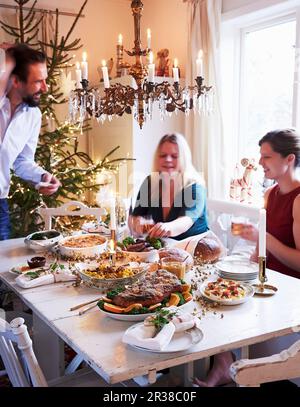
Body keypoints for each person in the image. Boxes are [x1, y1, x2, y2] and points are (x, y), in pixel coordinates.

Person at [194, 128, 300, 387]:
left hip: (288, 290)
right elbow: (261, 251)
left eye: (267, 157)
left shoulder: (298, 200)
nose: (260, 163)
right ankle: (222, 363)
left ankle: (237, 370)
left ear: (289, 159)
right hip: (265, 279)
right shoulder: (270, 194)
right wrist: (245, 260)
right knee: (208, 293)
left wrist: (262, 237)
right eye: (260, 156)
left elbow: (298, 262)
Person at [0, 43, 61, 240]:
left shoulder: (33, 115)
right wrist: (7, 58)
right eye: (38, 81)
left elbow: (21, 160)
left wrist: (42, 177)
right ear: (16, 81)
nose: (45, 88)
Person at [129, 133, 209, 239]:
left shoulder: (195, 186)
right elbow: (135, 216)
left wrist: (167, 227)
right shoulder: (150, 182)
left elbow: (185, 221)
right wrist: (137, 223)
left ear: (184, 159)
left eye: (174, 156)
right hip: (166, 249)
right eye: (163, 155)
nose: (168, 159)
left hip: (196, 248)